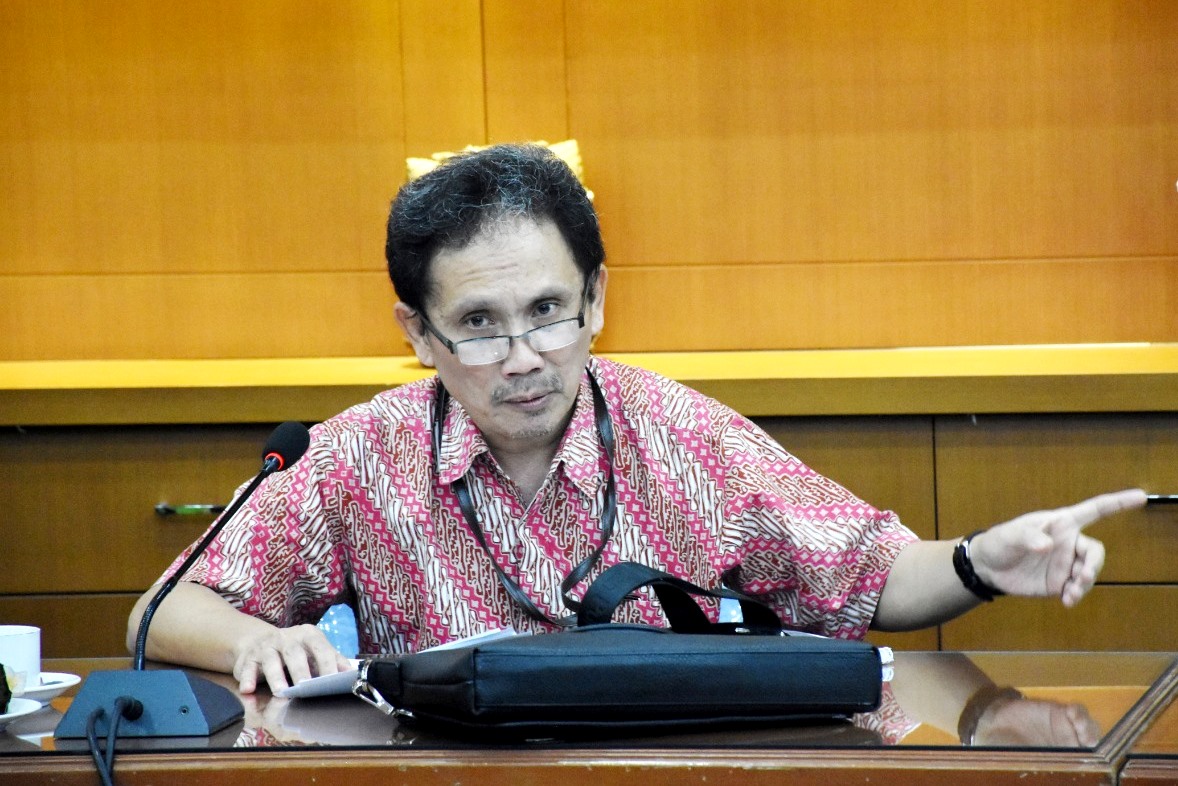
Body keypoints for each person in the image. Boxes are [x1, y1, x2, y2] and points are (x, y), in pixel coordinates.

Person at [128, 144, 1146, 695]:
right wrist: (255, 641)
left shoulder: (684, 436)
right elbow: (161, 611)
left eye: (548, 311)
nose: (522, 355)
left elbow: (870, 574)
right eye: (477, 325)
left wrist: (976, 563)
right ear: (418, 332)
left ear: (597, 298)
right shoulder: (356, 455)